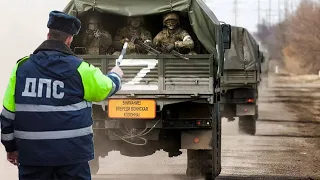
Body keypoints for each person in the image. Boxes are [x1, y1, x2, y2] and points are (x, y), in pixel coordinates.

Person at [0, 10, 123, 180]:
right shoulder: (82, 69)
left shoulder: (21, 68)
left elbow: (7, 114)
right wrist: (116, 75)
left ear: (48, 34)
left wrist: (10, 147)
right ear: (69, 39)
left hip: (32, 157)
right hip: (72, 158)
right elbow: (106, 88)